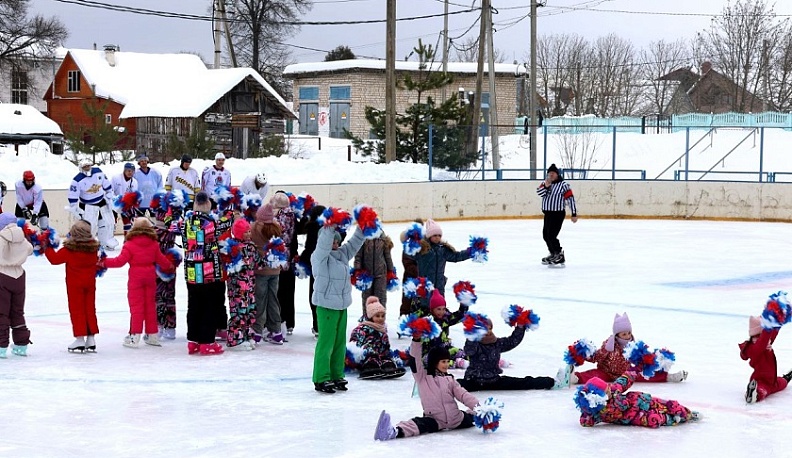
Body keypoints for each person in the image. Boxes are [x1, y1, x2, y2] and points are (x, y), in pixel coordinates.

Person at [373, 338, 480, 440]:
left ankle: (479, 414)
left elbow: (463, 395)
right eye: (443, 361)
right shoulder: (422, 377)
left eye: (448, 361)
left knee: (472, 417)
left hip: (456, 418)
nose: (446, 365)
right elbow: (414, 359)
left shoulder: (450, 379)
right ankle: (393, 431)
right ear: (434, 362)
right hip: (435, 420)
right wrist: (416, 340)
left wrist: (479, 408)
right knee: (418, 424)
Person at [103, 218, 173, 349]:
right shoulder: (154, 244)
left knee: (136, 307)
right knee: (150, 306)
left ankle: (134, 336)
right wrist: (171, 266)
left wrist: (103, 262)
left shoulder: (130, 244)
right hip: (150, 277)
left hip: (136, 277)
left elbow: (119, 262)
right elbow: (162, 261)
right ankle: (152, 335)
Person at [311, 223, 365, 394]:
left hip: (342, 306)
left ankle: (336, 374)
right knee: (326, 344)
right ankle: (321, 377)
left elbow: (355, 243)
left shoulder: (342, 254)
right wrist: (330, 226)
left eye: (337, 241)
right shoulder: (319, 257)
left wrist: (363, 227)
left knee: (339, 343)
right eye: (332, 241)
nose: (335, 244)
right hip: (326, 305)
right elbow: (323, 243)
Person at [563, 312, 688, 385]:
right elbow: (598, 357)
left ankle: (669, 377)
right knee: (595, 376)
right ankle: (575, 378)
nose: (627, 336)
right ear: (617, 335)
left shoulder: (634, 345)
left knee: (646, 375)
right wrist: (585, 354)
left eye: (628, 333)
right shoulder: (609, 344)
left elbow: (645, 360)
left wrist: (656, 360)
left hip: (627, 373)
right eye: (624, 334)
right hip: (607, 372)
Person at [182, 191, 232, 355]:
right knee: (209, 307)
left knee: (194, 306)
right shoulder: (210, 223)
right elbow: (224, 224)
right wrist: (230, 211)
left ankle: (193, 340)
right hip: (208, 273)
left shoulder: (186, 222)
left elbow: (172, 226)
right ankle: (207, 341)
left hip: (191, 273)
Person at [43, 220, 102, 353]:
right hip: (90, 284)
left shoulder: (70, 250)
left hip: (75, 285)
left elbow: (54, 259)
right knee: (89, 308)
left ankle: (80, 339)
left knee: (77, 310)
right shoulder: (94, 249)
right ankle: (91, 338)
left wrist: (47, 247)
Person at [459, 317, 558, 391]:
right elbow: (469, 351)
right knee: (451, 385)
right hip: (473, 381)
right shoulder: (474, 342)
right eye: (483, 328)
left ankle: (551, 382)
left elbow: (512, 341)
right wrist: (471, 336)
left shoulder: (496, 343)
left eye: (489, 328)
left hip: (494, 381)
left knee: (523, 383)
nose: (487, 331)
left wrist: (520, 327)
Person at [574, 374, 700, 427]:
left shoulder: (612, 392)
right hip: (637, 416)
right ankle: (676, 418)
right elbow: (622, 406)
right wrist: (588, 410)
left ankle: (686, 413)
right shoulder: (603, 412)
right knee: (656, 418)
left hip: (642, 400)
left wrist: (630, 373)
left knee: (666, 404)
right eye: (607, 390)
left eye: (608, 387)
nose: (610, 389)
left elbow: (620, 383)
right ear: (599, 398)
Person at [411, 219, 471, 312]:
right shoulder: (422, 249)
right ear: (429, 235)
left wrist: (470, 252)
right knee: (425, 309)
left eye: (439, 235)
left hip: (439, 287)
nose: (437, 238)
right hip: (425, 287)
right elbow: (411, 254)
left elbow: (456, 256)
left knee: (439, 309)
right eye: (434, 235)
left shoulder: (443, 250)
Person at [250, 203, 285, 344]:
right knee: (273, 300)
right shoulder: (276, 228)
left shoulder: (255, 228)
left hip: (261, 270)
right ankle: (276, 331)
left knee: (260, 300)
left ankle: (257, 331)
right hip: (275, 270)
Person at [0, 213, 33, 358]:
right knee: (17, 311)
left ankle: (1, 345)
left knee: (2, 312)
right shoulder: (22, 237)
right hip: (19, 276)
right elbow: (30, 249)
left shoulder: (1, 238)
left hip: (2, 275)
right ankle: (21, 344)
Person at [222, 219, 257, 350]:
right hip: (237, 287)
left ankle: (246, 336)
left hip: (250, 285)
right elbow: (229, 266)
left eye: (249, 231)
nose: (248, 234)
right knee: (238, 312)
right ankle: (234, 339)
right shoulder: (233, 248)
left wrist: (273, 257)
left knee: (249, 311)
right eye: (245, 232)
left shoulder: (251, 247)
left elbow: (257, 263)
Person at [67, 159, 118, 251]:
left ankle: (106, 242)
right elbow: (73, 195)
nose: (87, 168)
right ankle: (89, 244)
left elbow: (106, 184)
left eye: (88, 166)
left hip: (102, 202)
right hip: (87, 205)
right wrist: (74, 207)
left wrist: (109, 194)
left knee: (107, 223)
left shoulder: (98, 172)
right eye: (85, 167)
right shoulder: (77, 180)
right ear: (81, 168)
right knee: (90, 226)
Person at [740, 316, 792, 403]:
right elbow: (764, 338)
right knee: (763, 390)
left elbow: (772, 334)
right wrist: (768, 326)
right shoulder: (757, 347)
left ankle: (786, 378)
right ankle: (753, 394)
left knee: (781, 383)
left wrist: (779, 320)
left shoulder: (765, 343)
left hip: (772, 380)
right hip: (761, 379)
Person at [349, 296, 405, 379]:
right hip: (366, 356)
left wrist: (386, 352)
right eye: (377, 316)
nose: (380, 318)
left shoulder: (382, 330)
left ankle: (389, 368)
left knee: (387, 360)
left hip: (380, 355)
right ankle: (370, 368)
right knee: (372, 359)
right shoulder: (362, 329)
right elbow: (355, 345)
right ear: (371, 317)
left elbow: (385, 345)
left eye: (383, 316)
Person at [536, 163, 578, 265]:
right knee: (546, 235)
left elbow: (570, 199)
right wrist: (546, 186)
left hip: (558, 214)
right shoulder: (545, 183)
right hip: (548, 214)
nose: (551, 175)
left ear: (557, 174)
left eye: (553, 173)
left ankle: (559, 254)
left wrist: (574, 213)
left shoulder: (564, 185)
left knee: (552, 235)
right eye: (549, 173)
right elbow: (540, 193)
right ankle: (553, 253)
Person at [297, 204, 326, 338]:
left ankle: (317, 325)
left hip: (315, 266)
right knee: (323, 296)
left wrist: (303, 260)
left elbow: (309, 248)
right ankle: (322, 324)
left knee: (314, 295)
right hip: (326, 266)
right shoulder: (328, 229)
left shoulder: (312, 227)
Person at [271, 191, 298, 335]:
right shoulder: (292, 214)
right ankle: (289, 322)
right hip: (290, 255)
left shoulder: (278, 216)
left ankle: (280, 320)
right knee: (289, 290)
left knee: (279, 290)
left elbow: (276, 235)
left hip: (280, 255)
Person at [353, 230, 395, 315]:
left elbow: (387, 256)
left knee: (380, 296)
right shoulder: (363, 239)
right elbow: (358, 256)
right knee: (367, 297)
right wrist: (357, 269)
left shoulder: (383, 239)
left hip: (381, 273)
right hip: (366, 274)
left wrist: (390, 270)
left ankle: (380, 318)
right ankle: (367, 317)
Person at [421, 289, 468, 362]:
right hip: (430, 352)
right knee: (432, 360)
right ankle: (455, 363)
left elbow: (459, 316)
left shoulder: (445, 318)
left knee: (460, 353)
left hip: (445, 349)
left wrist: (464, 303)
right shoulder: (427, 321)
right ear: (432, 309)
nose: (441, 312)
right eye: (438, 309)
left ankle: (465, 360)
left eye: (443, 309)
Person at [399, 219, 422, 317]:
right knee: (407, 302)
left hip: (423, 280)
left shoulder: (425, 244)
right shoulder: (408, 245)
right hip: (410, 279)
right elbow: (407, 263)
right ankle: (404, 321)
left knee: (421, 303)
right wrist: (420, 272)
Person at [110, 163, 139, 234]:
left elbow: (134, 195)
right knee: (111, 224)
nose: (130, 172)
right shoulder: (115, 178)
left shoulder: (134, 182)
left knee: (128, 224)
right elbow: (109, 191)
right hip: (114, 204)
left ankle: (127, 241)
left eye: (132, 171)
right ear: (124, 170)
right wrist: (116, 199)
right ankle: (108, 240)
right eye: (128, 170)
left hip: (126, 205)